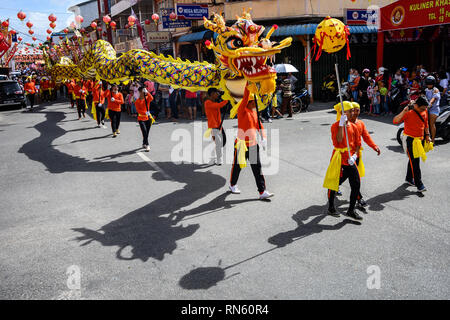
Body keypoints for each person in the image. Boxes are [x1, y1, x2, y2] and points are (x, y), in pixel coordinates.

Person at [229, 88, 273, 200]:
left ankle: (262, 191)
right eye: (254, 102)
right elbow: (245, 97)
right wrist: (249, 84)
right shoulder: (242, 110)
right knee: (237, 167)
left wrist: (264, 137)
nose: (256, 104)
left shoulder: (254, 112)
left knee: (257, 168)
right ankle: (232, 184)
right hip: (241, 145)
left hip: (253, 145)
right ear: (250, 102)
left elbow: (259, 125)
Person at [323, 101, 362, 220]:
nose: (353, 112)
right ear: (342, 113)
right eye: (350, 111)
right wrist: (341, 125)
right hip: (339, 158)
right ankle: (331, 207)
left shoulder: (354, 126)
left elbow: (357, 144)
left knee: (356, 183)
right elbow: (338, 140)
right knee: (334, 183)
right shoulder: (335, 126)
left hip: (350, 159)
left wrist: (355, 155)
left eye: (353, 110)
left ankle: (351, 210)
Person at [393, 96, 432, 192]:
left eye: (425, 108)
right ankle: (419, 184)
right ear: (416, 105)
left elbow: (426, 124)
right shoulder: (408, 113)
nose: (424, 110)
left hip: (420, 139)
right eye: (422, 108)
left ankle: (409, 178)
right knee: (415, 162)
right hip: (410, 140)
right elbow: (395, 121)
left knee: (413, 159)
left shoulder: (425, 111)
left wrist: (427, 135)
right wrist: (404, 111)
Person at [350, 102, 381, 208]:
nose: (356, 112)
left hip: (356, 155)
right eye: (353, 109)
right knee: (339, 178)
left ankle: (358, 198)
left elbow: (366, 137)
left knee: (356, 179)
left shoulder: (360, 123)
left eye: (358, 109)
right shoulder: (344, 124)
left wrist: (374, 146)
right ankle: (335, 189)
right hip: (345, 156)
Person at [204, 88, 228, 165]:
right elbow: (220, 105)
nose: (217, 94)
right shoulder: (207, 102)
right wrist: (228, 99)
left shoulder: (215, 101)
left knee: (222, 142)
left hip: (219, 125)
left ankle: (217, 156)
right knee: (219, 142)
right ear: (211, 94)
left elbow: (220, 101)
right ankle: (218, 159)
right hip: (213, 126)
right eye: (216, 93)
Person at [135, 87, 154, 151]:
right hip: (141, 118)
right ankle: (147, 145)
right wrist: (145, 112)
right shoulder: (137, 101)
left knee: (147, 132)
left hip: (148, 118)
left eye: (144, 91)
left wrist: (147, 92)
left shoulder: (147, 98)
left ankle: (144, 142)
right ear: (140, 92)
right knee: (144, 132)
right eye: (142, 91)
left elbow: (151, 98)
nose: (143, 92)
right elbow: (138, 110)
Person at [424, 76, 440, 143]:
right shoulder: (425, 90)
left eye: (430, 84)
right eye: (428, 84)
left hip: (434, 109)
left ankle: (433, 139)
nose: (429, 85)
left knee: (431, 124)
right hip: (426, 108)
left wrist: (429, 104)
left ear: (433, 84)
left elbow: (433, 99)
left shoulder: (435, 90)